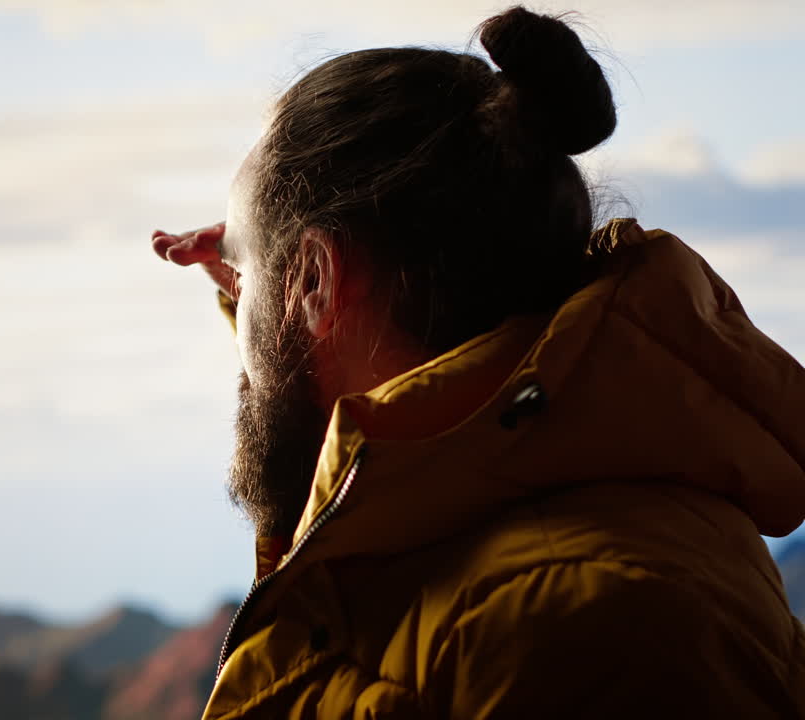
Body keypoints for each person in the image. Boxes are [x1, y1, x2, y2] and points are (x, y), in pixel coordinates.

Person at [151, 6, 805, 718]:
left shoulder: (576, 632)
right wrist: (261, 292)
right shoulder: (551, 508)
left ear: (314, 280)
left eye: (242, 276)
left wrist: (271, 306)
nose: (234, 294)